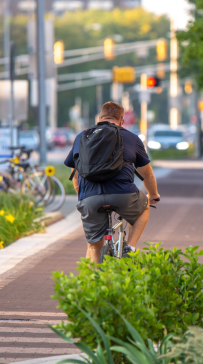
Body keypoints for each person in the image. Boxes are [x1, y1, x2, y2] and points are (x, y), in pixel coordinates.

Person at [65, 101, 161, 263]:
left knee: (93, 247)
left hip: (90, 197)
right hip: (123, 195)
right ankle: (129, 248)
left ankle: (92, 286)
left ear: (99, 118)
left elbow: (74, 175)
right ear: (122, 121)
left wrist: (83, 197)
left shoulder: (82, 137)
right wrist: (153, 194)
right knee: (143, 207)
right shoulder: (131, 137)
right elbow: (148, 175)